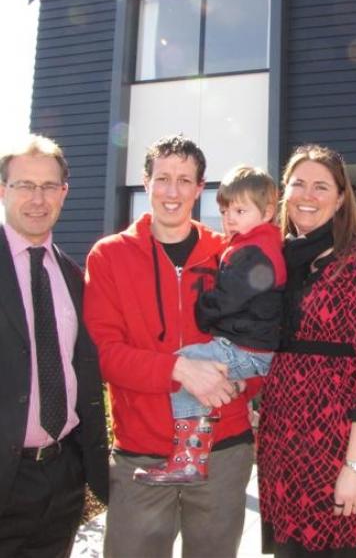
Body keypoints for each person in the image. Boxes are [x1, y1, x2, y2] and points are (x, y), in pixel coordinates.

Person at [84, 136, 259, 558]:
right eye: (163, 178)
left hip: (222, 450)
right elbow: (104, 355)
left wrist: (240, 386)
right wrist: (179, 370)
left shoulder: (229, 254)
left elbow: (259, 338)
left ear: (201, 188)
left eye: (185, 180)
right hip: (141, 455)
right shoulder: (109, 256)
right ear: (146, 183)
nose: (173, 192)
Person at [258, 144, 356, 558]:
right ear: (285, 193)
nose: (308, 195)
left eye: (321, 186)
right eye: (298, 184)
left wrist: (355, 466)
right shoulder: (278, 260)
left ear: (339, 199)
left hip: (335, 447)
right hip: (281, 444)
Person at [135, 164, 286, 485]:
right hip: (255, 346)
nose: (230, 218)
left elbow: (227, 299)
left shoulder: (252, 253)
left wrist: (202, 308)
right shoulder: (259, 243)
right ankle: (195, 449)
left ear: (268, 211)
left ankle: (189, 458)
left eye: (240, 210)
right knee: (197, 366)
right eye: (225, 210)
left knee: (188, 363)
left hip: (249, 348)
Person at [0, 134, 109, 557]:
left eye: (49, 186)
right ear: (3, 190)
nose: (37, 198)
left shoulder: (73, 276)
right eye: (25, 185)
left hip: (63, 480)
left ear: (64, 193)